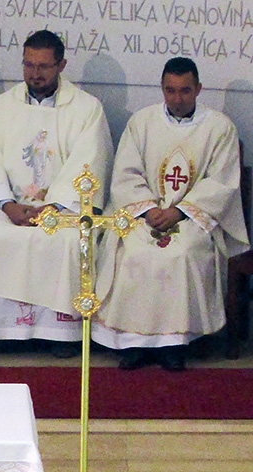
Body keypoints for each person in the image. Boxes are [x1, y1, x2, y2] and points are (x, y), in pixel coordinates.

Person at [0, 30, 113, 356]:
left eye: (44, 66)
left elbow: (88, 162)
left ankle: (59, 334)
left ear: (61, 65)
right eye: (28, 65)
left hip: (61, 208)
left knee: (66, 240)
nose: (35, 74)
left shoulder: (86, 108)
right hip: (9, 206)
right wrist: (8, 205)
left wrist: (52, 207)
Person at [93, 57, 249, 371]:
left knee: (182, 253)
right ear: (162, 88)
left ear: (199, 89)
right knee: (133, 251)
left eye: (185, 91)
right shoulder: (142, 122)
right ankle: (134, 343)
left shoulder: (219, 128)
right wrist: (150, 209)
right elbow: (125, 175)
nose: (177, 99)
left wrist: (178, 212)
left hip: (193, 217)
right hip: (144, 214)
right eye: (170, 90)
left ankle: (174, 344)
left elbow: (221, 183)